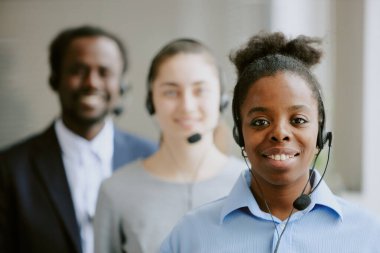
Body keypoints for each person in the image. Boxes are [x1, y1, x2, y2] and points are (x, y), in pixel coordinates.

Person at [160, 32, 380, 253]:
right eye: (260, 121)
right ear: (239, 133)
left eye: (298, 120)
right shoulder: (191, 236)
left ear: (320, 132)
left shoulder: (369, 235)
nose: (280, 133)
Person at [0, 25, 157, 253]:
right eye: (78, 70)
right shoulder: (10, 168)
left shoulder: (152, 157)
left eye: (104, 72)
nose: (92, 82)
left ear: (120, 85)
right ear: (55, 79)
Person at [94, 38, 245, 253]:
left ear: (222, 99)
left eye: (200, 90)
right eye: (171, 92)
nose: (187, 106)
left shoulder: (251, 183)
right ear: (150, 102)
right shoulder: (116, 190)